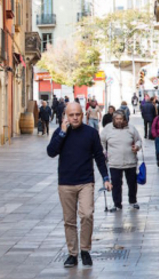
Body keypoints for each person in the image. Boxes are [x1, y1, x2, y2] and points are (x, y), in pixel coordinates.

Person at [46, 103, 112, 268]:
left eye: (78, 114)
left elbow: (98, 155)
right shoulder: (61, 132)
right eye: (71, 115)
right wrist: (62, 132)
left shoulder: (90, 133)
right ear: (65, 116)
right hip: (66, 183)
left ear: (83, 115)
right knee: (69, 221)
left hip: (85, 182)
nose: (75, 117)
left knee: (87, 214)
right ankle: (72, 254)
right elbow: (51, 152)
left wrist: (105, 177)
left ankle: (85, 250)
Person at [100, 111, 142, 212]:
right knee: (116, 184)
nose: (119, 121)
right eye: (117, 119)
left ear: (124, 119)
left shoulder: (131, 128)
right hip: (114, 162)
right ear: (113, 119)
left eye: (121, 119)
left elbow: (138, 140)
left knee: (132, 183)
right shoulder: (108, 129)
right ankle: (117, 204)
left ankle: (133, 201)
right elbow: (101, 141)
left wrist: (137, 147)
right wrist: (104, 151)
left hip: (130, 161)